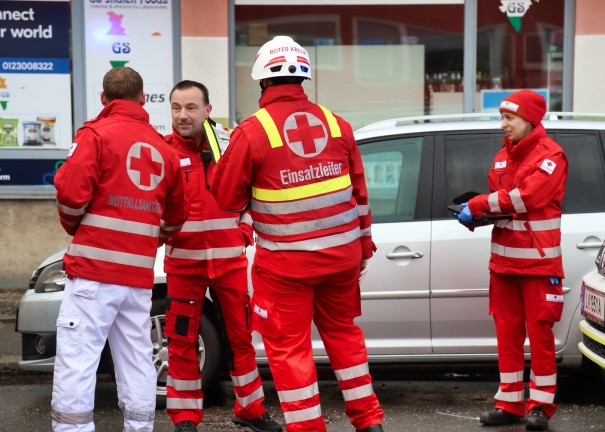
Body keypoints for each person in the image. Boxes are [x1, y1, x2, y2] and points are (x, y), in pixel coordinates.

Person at [212, 35, 385, 432]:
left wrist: (223, 160)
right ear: (303, 76)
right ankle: (369, 422)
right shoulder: (336, 124)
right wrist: (363, 247)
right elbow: (360, 193)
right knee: (344, 338)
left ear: (262, 81)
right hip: (342, 259)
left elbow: (226, 198)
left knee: (290, 351)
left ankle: (308, 428)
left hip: (286, 267)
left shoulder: (252, 132)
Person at [51, 66, 188, 432]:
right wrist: (147, 240)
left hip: (94, 273)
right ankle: (140, 428)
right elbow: (176, 217)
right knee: (137, 359)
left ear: (103, 99)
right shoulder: (164, 149)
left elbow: (70, 195)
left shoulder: (95, 135)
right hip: (138, 277)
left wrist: (75, 227)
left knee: (79, 359)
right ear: (143, 98)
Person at [163, 80, 281, 432]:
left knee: (241, 338)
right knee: (183, 339)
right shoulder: (163, 150)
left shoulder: (230, 144)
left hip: (229, 261)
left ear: (208, 110)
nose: (182, 115)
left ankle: (251, 409)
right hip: (184, 264)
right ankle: (185, 417)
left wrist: (243, 230)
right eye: (176, 108)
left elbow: (254, 193)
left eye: (191, 108)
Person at [454, 89, 568, 432]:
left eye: (509, 118)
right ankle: (510, 404)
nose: (503, 124)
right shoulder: (503, 155)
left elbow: (525, 197)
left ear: (530, 120)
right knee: (507, 336)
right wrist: (477, 216)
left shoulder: (551, 156)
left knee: (541, 337)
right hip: (503, 266)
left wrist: (478, 206)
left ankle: (541, 408)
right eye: (502, 117)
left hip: (538, 266)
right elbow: (501, 205)